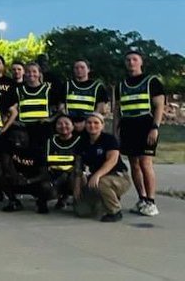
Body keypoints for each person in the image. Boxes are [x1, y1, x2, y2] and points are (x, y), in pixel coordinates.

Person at [117, 51, 164, 217]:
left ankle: (151, 202)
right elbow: (117, 110)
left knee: (145, 163)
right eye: (128, 59)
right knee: (134, 164)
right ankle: (142, 199)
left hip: (146, 126)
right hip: (128, 127)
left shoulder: (152, 81)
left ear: (141, 62)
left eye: (134, 59)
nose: (131, 62)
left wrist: (155, 127)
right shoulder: (121, 84)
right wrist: (116, 130)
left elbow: (159, 106)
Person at [75, 113, 131, 222]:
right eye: (89, 123)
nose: (92, 125)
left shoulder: (109, 139)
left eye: (96, 123)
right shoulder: (82, 142)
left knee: (100, 183)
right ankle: (104, 202)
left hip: (118, 177)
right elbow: (78, 166)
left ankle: (115, 211)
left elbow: (112, 160)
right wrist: (77, 186)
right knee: (81, 211)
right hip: (97, 178)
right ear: (85, 125)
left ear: (102, 125)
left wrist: (97, 175)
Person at [0, 126, 52, 214]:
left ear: (27, 136)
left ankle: (42, 202)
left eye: (20, 137)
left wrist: (28, 181)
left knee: (46, 185)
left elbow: (44, 174)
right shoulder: (9, 147)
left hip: (33, 181)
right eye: (14, 137)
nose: (16, 141)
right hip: (17, 179)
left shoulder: (37, 150)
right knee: (0, 174)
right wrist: (15, 176)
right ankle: (13, 201)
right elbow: (5, 165)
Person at [15, 62, 59, 149]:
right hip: (24, 130)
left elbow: (60, 108)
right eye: (28, 71)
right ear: (25, 74)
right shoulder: (18, 90)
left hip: (43, 130)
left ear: (39, 74)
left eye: (34, 71)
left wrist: (51, 119)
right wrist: (15, 122)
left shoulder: (48, 90)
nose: (31, 74)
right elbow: (11, 110)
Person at [46, 115, 82, 210]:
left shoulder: (80, 141)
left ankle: (75, 199)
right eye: (59, 124)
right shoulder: (50, 141)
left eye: (66, 123)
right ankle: (58, 198)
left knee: (75, 179)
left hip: (73, 176)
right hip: (55, 177)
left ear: (73, 126)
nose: (63, 126)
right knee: (47, 189)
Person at [62, 60, 110, 130]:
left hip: (90, 126)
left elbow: (101, 108)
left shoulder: (97, 87)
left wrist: (87, 122)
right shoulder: (67, 85)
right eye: (76, 68)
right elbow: (61, 107)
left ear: (88, 69)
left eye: (82, 67)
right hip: (70, 126)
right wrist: (70, 123)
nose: (79, 70)